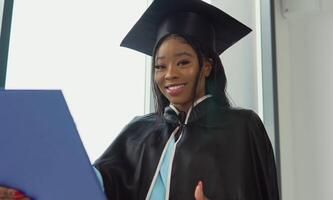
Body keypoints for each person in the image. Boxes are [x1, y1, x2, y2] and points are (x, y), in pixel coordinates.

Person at [0, 0, 279, 199]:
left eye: (182, 62)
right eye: (160, 66)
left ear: (206, 66)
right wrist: (25, 186)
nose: (169, 75)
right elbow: (93, 187)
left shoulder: (242, 128)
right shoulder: (140, 132)